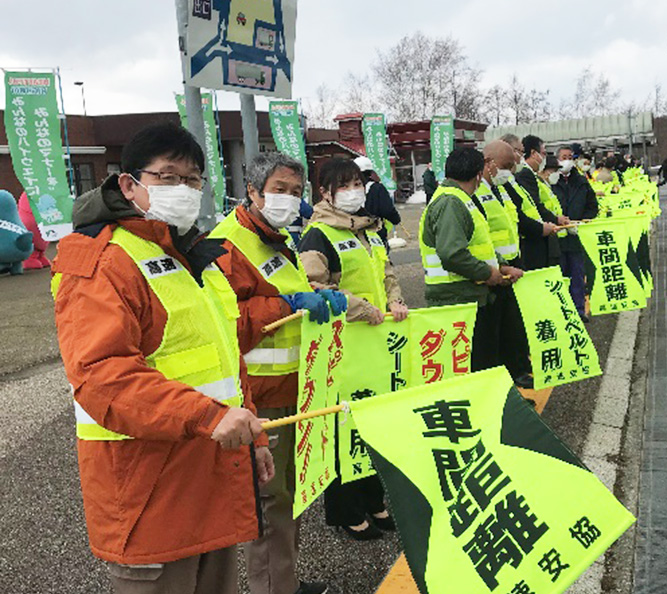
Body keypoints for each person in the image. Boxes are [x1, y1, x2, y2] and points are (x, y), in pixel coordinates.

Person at [52, 122, 275, 594]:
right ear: (129, 183)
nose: (185, 190)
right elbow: (100, 375)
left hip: (213, 470)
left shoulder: (190, 253)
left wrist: (251, 433)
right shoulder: (102, 260)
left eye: (194, 180)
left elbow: (223, 363)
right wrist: (206, 416)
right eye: (168, 177)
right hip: (147, 488)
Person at [211, 152, 348, 594]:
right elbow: (225, 320)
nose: (288, 199)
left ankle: (282, 581)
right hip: (261, 393)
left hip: (295, 386)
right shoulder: (229, 243)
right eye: (279, 190)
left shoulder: (274, 236)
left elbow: (287, 291)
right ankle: (274, 588)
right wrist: (287, 306)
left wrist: (315, 294)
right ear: (252, 191)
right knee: (270, 502)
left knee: (287, 496)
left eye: (295, 191)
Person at [299, 157, 409, 540]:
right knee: (345, 429)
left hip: (377, 346)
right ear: (325, 193)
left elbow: (387, 272)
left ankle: (374, 498)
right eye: (343, 185)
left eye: (357, 183)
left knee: (376, 426)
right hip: (343, 348)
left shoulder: (370, 228)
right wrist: (363, 309)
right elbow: (314, 288)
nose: (354, 191)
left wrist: (395, 300)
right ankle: (347, 510)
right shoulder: (317, 236)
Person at [418, 146, 523, 373]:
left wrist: (501, 266)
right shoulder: (451, 202)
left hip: (469, 295)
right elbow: (452, 254)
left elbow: (477, 246)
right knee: (475, 365)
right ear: (478, 175)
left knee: (484, 360)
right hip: (457, 298)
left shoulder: (460, 199)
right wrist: (488, 273)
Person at [477, 140, 533, 387]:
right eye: (505, 166)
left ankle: (517, 369)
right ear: (488, 163)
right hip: (492, 271)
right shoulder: (475, 192)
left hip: (512, 264)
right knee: (495, 330)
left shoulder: (501, 189)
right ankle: (506, 378)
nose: (509, 171)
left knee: (513, 323)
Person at [551, 145, 599, 321]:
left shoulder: (581, 181)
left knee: (578, 275)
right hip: (557, 237)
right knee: (561, 276)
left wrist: (580, 222)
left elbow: (593, 206)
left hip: (577, 237)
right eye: (563, 157)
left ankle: (579, 309)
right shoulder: (550, 182)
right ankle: (564, 313)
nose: (567, 160)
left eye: (570, 157)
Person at [511, 135, 569, 270]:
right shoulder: (525, 174)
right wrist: (555, 219)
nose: (544, 158)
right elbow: (535, 205)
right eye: (543, 153)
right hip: (534, 238)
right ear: (533, 153)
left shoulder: (531, 175)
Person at [354, 156, 401, 252]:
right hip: (375, 233)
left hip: (355, 234)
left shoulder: (348, 190)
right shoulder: (377, 188)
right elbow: (387, 210)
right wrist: (396, 219)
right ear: (371, 172)